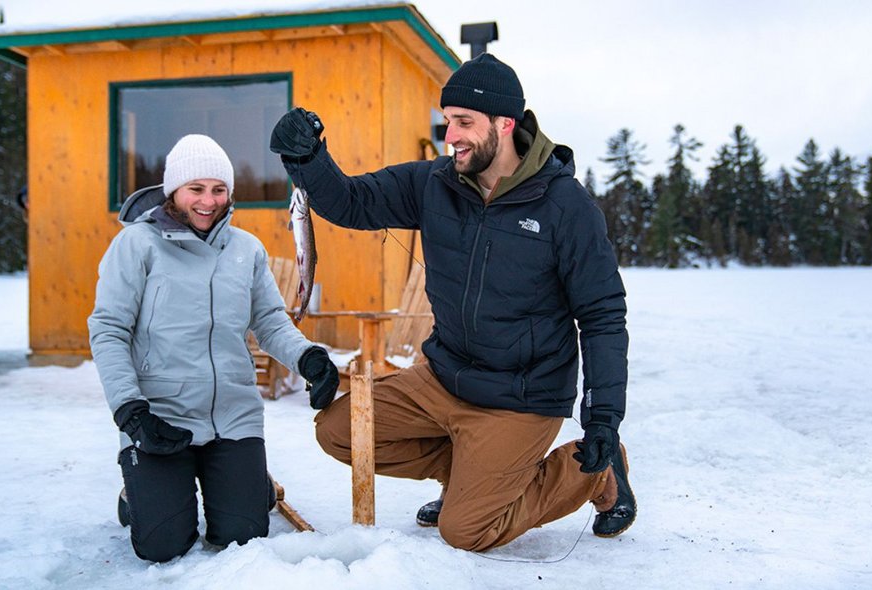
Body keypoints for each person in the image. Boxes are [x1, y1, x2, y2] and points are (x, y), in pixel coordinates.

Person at [269, 53, 634, 551]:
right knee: (339, 431)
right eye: (447, 122)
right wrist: (309, 160)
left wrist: (603, 418)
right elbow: (353, 202)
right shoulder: (434, 183)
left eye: (465, 122)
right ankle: (468, 475)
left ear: (505, 124)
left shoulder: (566, 209)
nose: (451, 136)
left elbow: (603, 317)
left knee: (465, 530)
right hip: (446, 377)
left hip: (520, 397)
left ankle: (594, 476)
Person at [88, 134, 339, 562]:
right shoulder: (136, 246)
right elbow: (108, 329)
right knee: (162, 545)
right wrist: (131, 411)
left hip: (232, 414)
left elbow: (270, 320)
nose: (209, 201)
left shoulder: (246, 250)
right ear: (174, 192)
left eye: (219, 189)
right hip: (161, 416)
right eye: (196, 189)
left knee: (243, 537)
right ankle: (139, 493)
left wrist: (308, 357)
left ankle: (243, 480)